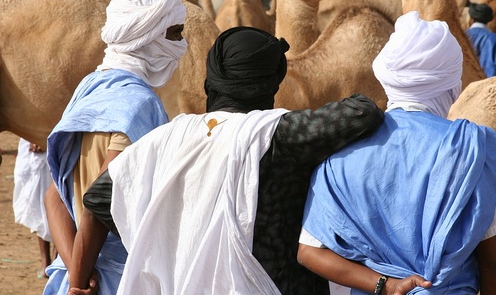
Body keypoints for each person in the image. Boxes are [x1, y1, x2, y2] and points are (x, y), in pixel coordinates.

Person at [74, 26, 385, 295]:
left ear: (213, 78)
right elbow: (363, 110)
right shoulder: (278, 136)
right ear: (273, 81)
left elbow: (97, 202)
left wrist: (79, 280)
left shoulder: (165, 139)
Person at [298, 11, 496, 295]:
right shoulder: (469, 152)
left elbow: (310, 253)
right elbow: (495, 262)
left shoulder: (341, 152)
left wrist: (386, 285)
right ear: (452, 82)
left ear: (387, 76)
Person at [43, 0, 187, 295]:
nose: (182, 44)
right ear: (146, 35)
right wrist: (82, 283)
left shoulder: (90, 88)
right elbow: (100, 201)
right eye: (174, 33)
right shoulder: (140, 104)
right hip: (115, 278)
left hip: (76, 268)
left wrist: (74, 269)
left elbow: (53, 197)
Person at [12, 138, 54, 279]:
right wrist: (34, 136)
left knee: (60, 200)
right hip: (34, 146)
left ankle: (54, 264)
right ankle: (47, 264)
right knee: (39, 204)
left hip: (60, 138)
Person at [466, 3, 496, 77]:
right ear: (489, 20)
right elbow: (493, 67)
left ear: (472, 19)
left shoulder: (462, 35)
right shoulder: (495, 39)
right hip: (484, 83)